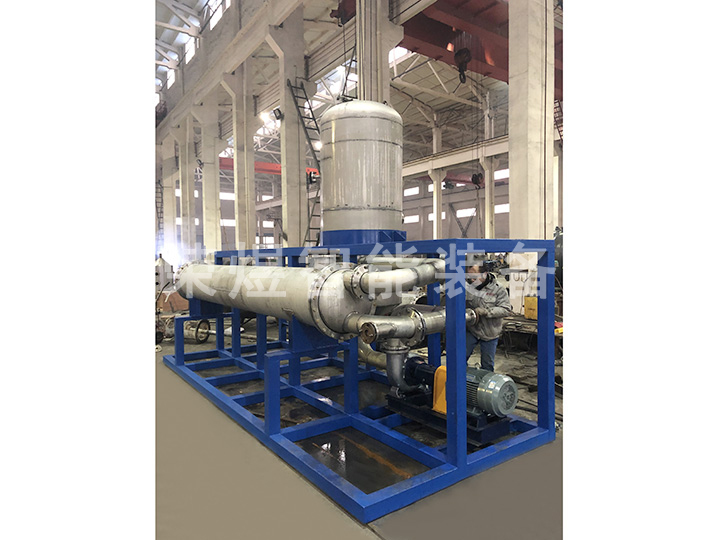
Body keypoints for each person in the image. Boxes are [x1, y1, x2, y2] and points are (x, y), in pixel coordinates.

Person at [465, 264, 513, 371]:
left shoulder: (498, 289)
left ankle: (485, 380)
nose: (472, 280)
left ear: (484, 274)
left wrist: (486, 312)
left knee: (487, 365)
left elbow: (506, 309)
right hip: (472, 330)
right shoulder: (468, 287)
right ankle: (464, 379)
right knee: (460, 358)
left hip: (490, 333)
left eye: (475, 277)